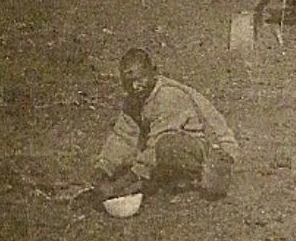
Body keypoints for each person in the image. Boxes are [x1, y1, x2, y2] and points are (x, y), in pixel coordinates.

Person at [90, 49, 240, 211]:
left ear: (154, 71)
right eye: (128, 82)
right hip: (186, 148)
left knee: (167, 145)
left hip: (216, 151)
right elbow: (122, 137)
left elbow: (155, 148)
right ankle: (175, 177)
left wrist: (120, 185)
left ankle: (205, 177)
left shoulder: (168, 96)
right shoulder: (134, 100)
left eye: (141, 79)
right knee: (162, 150)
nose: (135, 86)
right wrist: (102, 170)